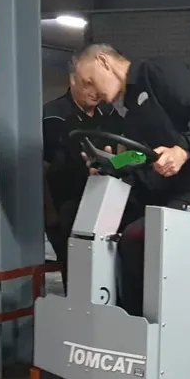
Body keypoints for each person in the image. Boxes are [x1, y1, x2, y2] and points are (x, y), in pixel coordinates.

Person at [69, 43, 190, 315]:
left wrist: (182, 150)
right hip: (163, 194)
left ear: (103, 62)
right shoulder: (132, 108)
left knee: (139, 236)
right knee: (84, 223)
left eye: (90, 81)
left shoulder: (156, 72)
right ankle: (100, 314)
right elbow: (141, 156)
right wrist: (112, 164)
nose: (91, 93)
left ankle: (142, 324)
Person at [42, 54, 125, 285]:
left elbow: (123, 148)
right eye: (88, 83)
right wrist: (50, 217)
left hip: (105, 199)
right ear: (73, 81)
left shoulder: (108, 113)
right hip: (67, 204)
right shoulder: (54, 116)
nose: (94, 91)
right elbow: (42, 170)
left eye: (97, 83)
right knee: (76, 266)